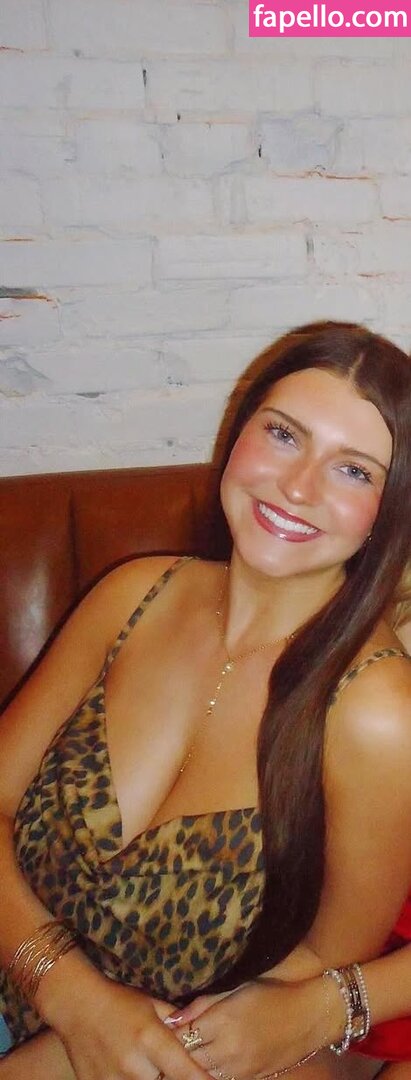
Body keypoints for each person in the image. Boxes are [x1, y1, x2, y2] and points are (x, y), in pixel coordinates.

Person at [1, 321, 411, 1080]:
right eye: (283, 434)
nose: (297, 486)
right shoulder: (132, 595)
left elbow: (310, 981)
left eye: (353, 471)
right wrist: (66, 991)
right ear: (237, 433)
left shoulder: (377, 713)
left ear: (389, 511)